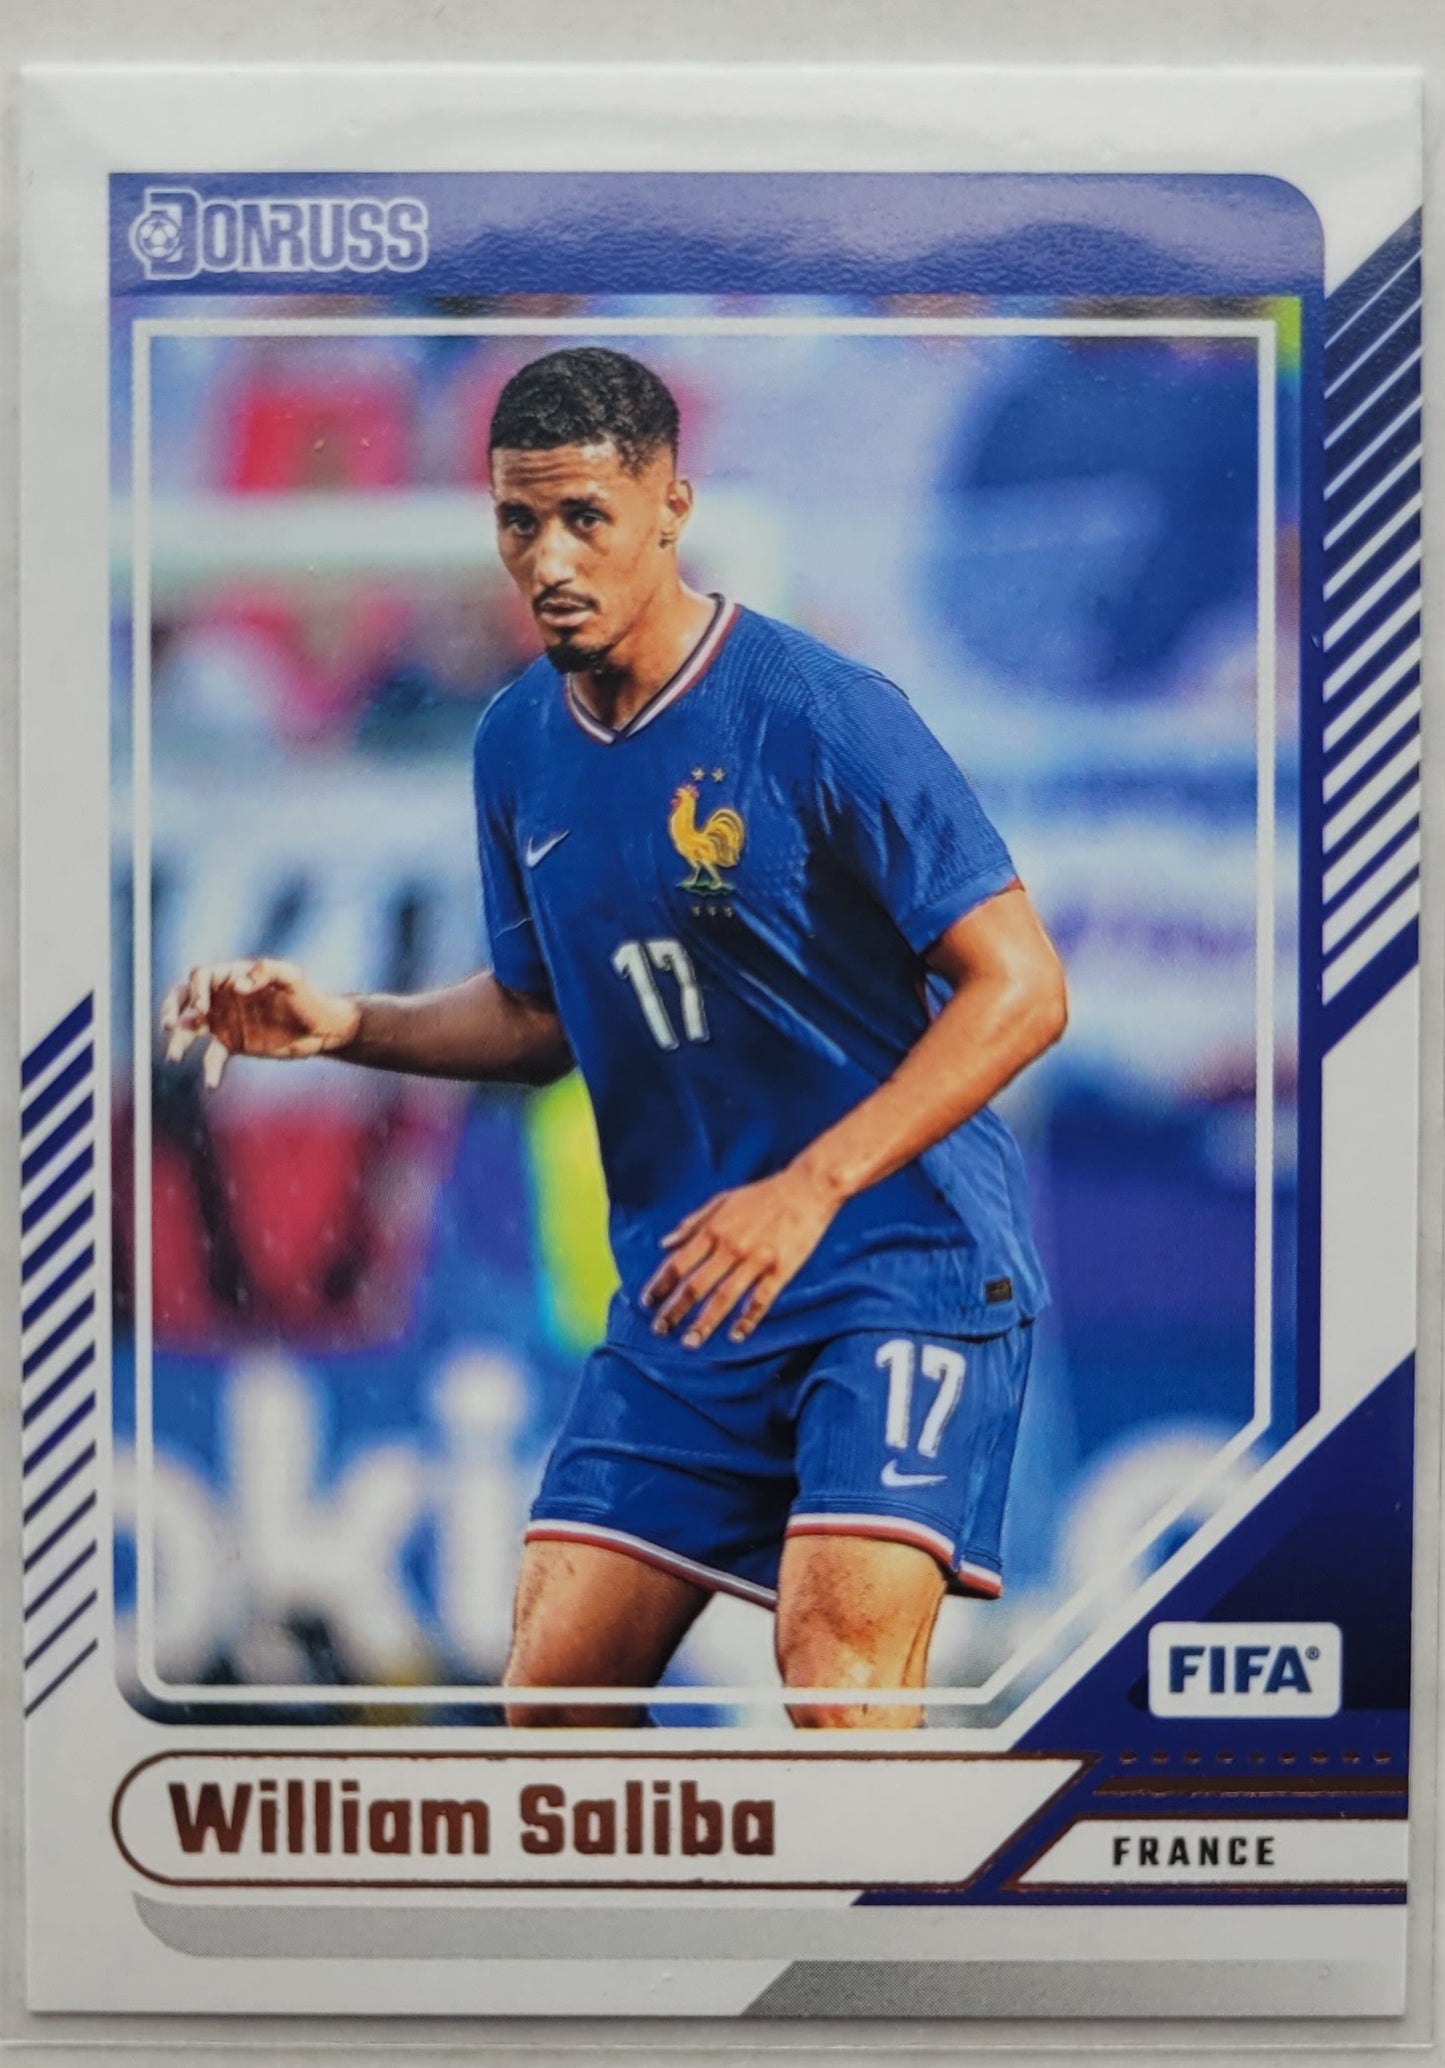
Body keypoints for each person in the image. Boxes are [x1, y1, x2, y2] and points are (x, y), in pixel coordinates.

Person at [162, 346, 1068, 1729]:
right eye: (518, 521)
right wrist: (345, 1023)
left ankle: (921, 1888)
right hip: (692, 1292)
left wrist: (809, 1188)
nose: (548, 558)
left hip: (895, 1265)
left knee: (838, 1686)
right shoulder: (516, 743)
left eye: (585, 516)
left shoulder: (822, 713)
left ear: (671, 507)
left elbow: (1022, 987)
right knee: (554, 1703)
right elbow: (539, 1018)